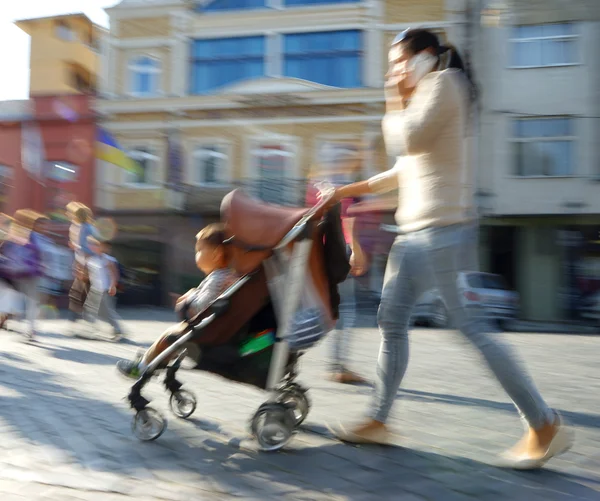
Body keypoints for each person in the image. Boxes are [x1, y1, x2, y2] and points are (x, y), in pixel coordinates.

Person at [328, 28, 572, 470]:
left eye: (400, 60)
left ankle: (544, 423)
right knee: (392, 320)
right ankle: (378, 419)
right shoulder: (427, 95)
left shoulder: (444, 85)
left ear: (425, 56)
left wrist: (392, 96)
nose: (395, 69)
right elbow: (402, 169)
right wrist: (343, 191)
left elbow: (408, 139)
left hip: (444, 231)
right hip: (417, 232)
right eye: (392, 63)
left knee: (470, 328)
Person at [116, 223, 238, 379]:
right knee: (173, 337)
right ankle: (153, 363)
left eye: (199, 250)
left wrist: (188, 298)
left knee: (168, 335)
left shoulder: (217, 279)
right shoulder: (228, 276)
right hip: (215, 330)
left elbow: (202, 307)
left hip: (206, 334)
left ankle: (141, 368)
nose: (197, 255)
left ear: (216, 254)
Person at [307, 152, 367, 384]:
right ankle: (337, 365)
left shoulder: (316, 186)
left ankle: (336, 363)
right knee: (346, 310)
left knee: (330, 309)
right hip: (335, 256)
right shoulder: (337, 186)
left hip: (319, 255)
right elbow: (346, 218)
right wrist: (356, 249)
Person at [83, 237, 124, 340]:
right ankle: (91, 330)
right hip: (95, 289)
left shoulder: (108, 259)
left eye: (96, 245)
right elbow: (88, 275)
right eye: (92, 245)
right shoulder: (91, 260)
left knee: (108, 311)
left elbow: (114, 274)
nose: (93, 247)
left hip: (105, 288)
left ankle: (118, 330)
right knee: (90, 309)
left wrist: (113, 286)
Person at [67, 203, 96, 327]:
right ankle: (81, 320)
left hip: (87, 263)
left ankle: (84, 320)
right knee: (80, 292)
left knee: (82, 292)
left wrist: (81, 267)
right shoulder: (86, 227)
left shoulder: (85, 228)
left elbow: (87, 249)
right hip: (86, 263)